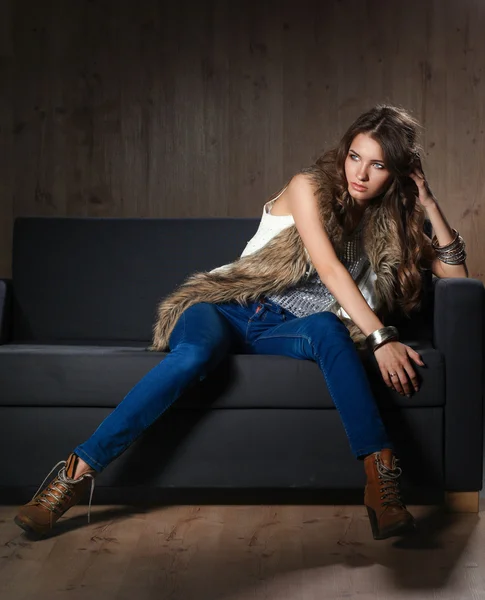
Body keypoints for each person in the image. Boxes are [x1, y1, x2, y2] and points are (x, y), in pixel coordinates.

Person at [14, 104, 468, 541]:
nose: (360, 174)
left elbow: (458, 277)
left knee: (329, 330)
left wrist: (426, 202)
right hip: (227, 305)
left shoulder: (387, 226)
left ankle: (381, 483)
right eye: (355, 156)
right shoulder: (307, 186)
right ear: (344, 151)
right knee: (196, 355)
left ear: (397, 174)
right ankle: (72, 476)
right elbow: (328, 269)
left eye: (378, 165)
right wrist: (382, 337)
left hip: (284, 327)